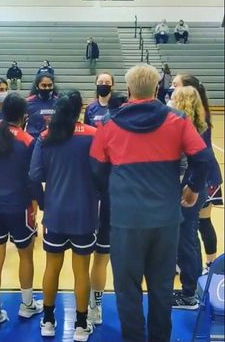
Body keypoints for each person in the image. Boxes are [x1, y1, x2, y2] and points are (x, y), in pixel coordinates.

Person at [90, 64, 210, 342]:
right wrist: (191, 188)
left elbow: (96, 170)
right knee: (162, 288)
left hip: (125, 221)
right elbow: (202, 158)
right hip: (166, 221)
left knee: (127, 290)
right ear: (157, 89)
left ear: (129, 90)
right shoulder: (178, 120)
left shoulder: (108, 126)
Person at [30, 91, 98, 342]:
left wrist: (45, 201)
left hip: (56, 213)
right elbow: (103, 171)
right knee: (81, 271)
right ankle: (80, 326)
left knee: (52, 267)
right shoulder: (93, 134)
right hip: (85, 212)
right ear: (80, 109)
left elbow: (34, 175)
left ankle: (48, 321)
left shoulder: (46, 137)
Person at [0, 93, 43, 329]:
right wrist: (38, 203)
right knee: (26, 256)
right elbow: (33, 177)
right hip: (19, 207)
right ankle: (27, 305)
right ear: (24, 116)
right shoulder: (27, 140)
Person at [84, 72, 126, 325]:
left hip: (98, 197)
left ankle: (92, 306)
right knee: (107, 255)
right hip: (115, 200)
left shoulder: (98, 133)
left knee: (93, 256)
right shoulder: (129, 131)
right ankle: (100, 305)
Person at [172, 74, 223, 276]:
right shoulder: (201, 110)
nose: (172, 89)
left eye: (175, 85)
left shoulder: (191, 115)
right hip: (206, 173)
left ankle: (208, 266)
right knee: (198, 223)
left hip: (203, 175)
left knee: (195, 225)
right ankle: (207, 266)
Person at [169, 85, 209, 309]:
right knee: (190, 238)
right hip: (194, 186)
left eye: (174, 98)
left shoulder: (183, 127)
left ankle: (188, 294)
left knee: (186, 240)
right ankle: (190, 290)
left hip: (188, 187)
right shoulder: (199, 125)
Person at [26, 73, 58, 139]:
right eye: (44, 85)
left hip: (54, 140)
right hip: (34, 140)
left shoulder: (60, 102)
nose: (47, 88)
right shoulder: (28, 102)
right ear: (37, 86)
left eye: (50, 85)